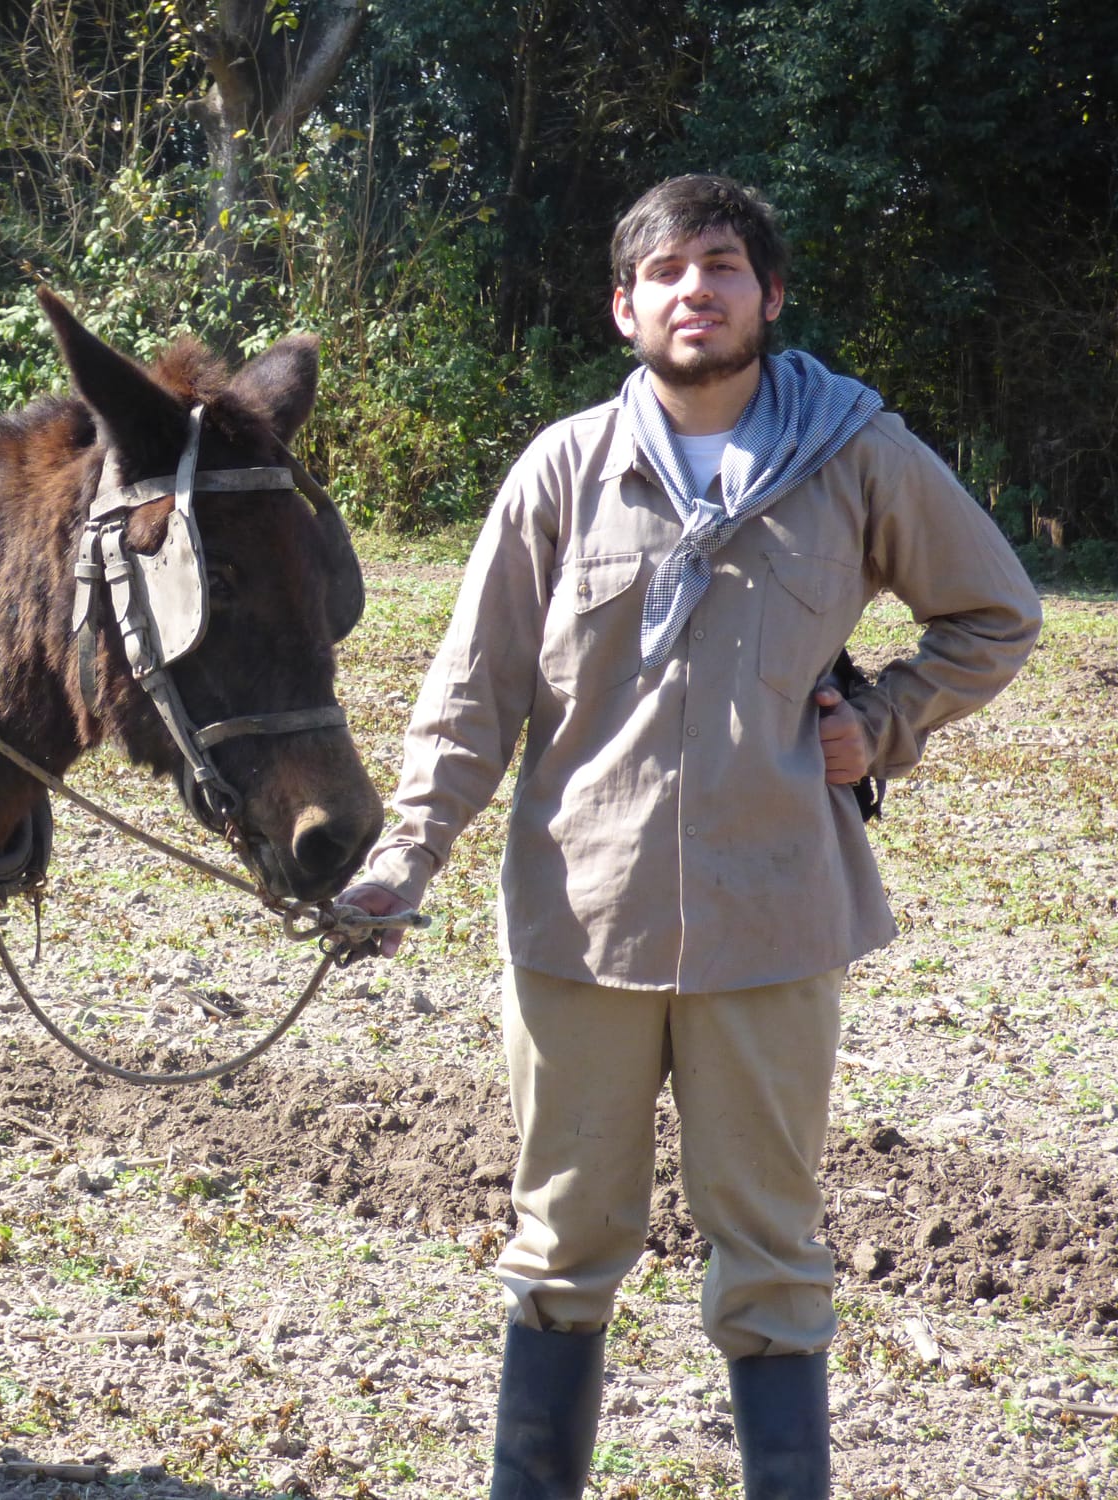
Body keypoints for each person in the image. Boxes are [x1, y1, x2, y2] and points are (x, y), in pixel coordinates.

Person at [338, 174, 1042, 1499]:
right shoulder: (563, 471)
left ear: (768, 297)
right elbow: (476, 686)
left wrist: (880, 723)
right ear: (624, 308)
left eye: (720, 266)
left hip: (775, 919)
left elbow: (995, 614)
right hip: (579, 922)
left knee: (772, 1257)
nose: (694, 292)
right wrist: (406, 852)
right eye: (664, 272)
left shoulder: (854, 454)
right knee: (559, 1253)